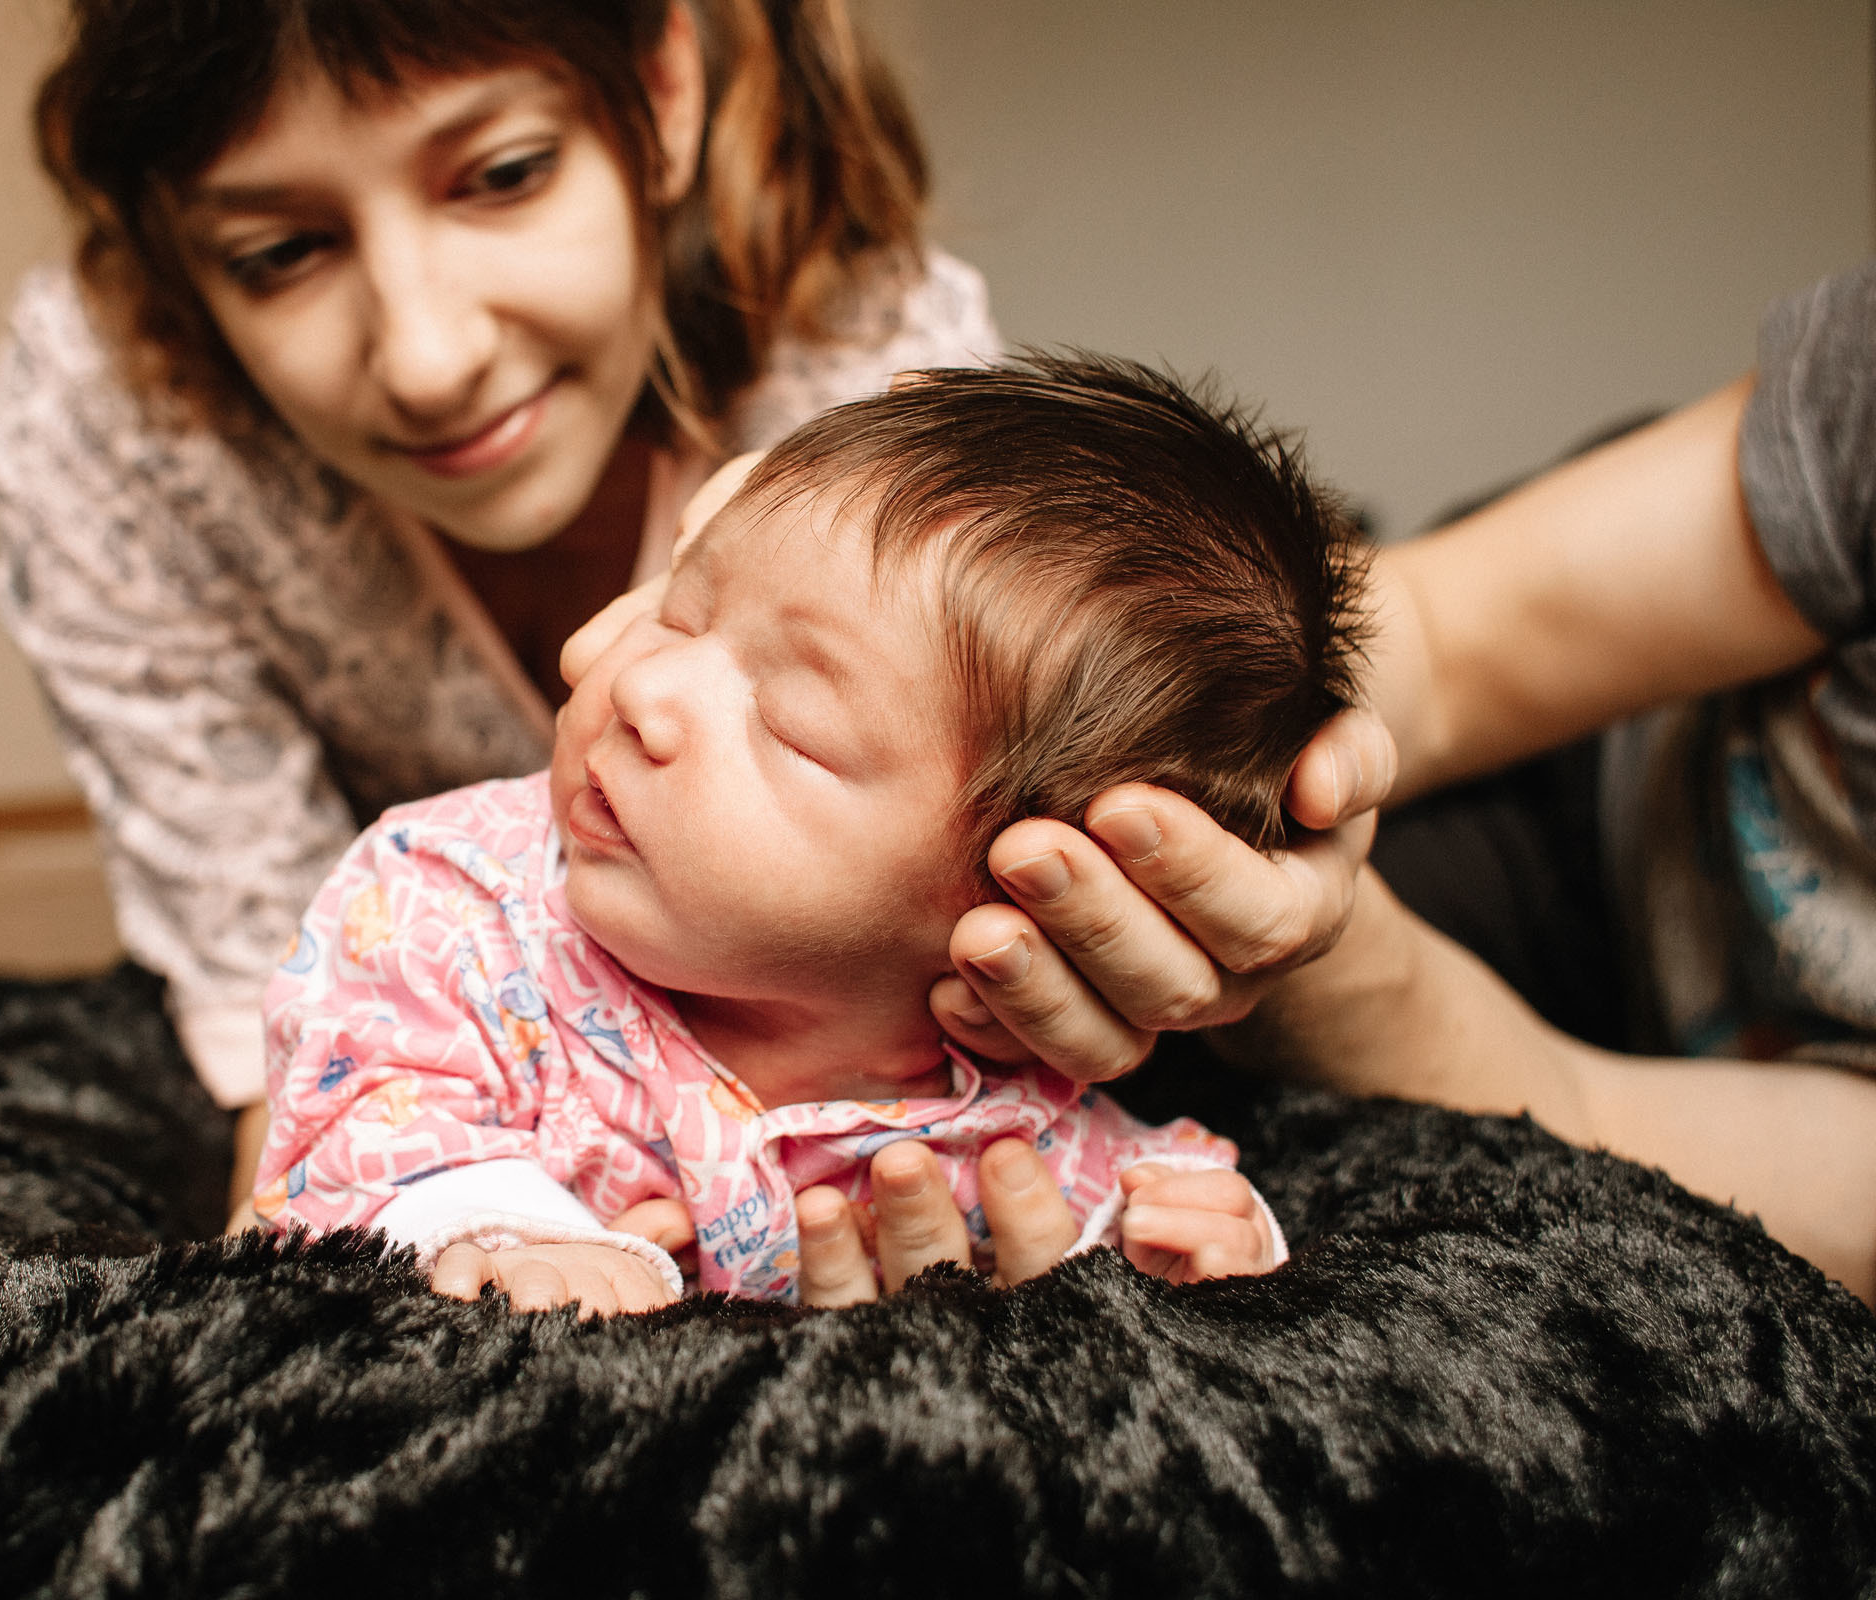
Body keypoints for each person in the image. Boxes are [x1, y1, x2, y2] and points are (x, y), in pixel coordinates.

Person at [0, 0, 1000, 1219]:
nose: (425, 359)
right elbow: (281, 1028)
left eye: (505, 175)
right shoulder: (107, 420)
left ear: (665, 89)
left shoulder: (871, 378)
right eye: (279, 253)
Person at [780, 260, 1876, 1304]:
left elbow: (1583, 1105)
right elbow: (1447, 644)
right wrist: (1233, 746)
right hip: (1587, 769)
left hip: (1584, 1062)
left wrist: (1332, 968)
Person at [250, 355, 1359, 1312]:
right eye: (681, 609)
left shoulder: (1000, 1108)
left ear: (1034, 909)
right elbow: (361, 1118)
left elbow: (1145, 1189)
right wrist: (502, 1235)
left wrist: (1219, 1245)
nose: (642, 684)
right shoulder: (457, 902)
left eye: (792, 722)